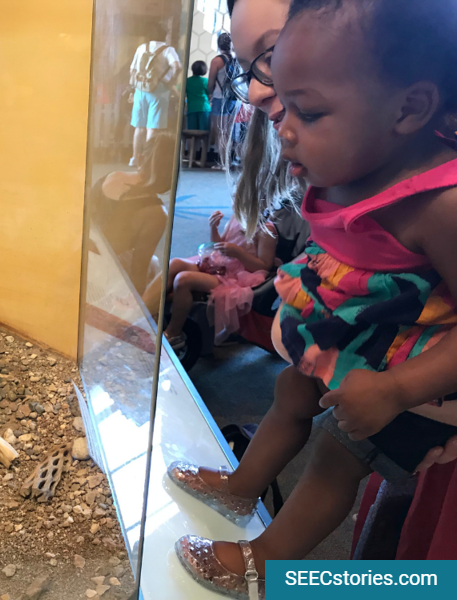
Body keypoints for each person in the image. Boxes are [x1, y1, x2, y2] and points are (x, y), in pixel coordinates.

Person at [168, 1, 457, 597]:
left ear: (409, 108)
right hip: (361, 337)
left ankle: (266, 564)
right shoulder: (357, 161)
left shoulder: (440, 205)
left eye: (311, 111)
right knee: (291, 389)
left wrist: (397, 389)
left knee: (338, 452)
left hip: (417, 374)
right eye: (284, 105)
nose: (284, 127)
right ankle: (242, 485)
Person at [142, 211, 276, 351]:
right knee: (174, 263)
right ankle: (143, 311)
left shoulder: (266, 229)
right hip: (221, 266)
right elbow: (218, 246)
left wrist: (239, 253)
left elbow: (264, 266)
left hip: (237, 278)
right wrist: (214, 229)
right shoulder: (236, 218)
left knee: (183, 280)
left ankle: (174, 333)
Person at [91, 133, 174, 293]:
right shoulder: (156, 214)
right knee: (153, 270)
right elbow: (138, 271)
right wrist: (136, 313)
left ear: (141, 159)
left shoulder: (113, 176)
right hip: (100, 269)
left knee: (153, 263)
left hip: (79, 251)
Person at [129, 22, 182, 167]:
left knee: (139, 127)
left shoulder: (141, 48)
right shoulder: (168, 50)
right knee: (151, 127)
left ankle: (134, 158)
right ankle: (145, 161)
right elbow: (177, 66)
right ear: (164, 35)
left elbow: (132, 70)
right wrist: (168, 80)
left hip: (140, 90)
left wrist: (133, 88)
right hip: (158, 91)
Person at [207, 33, 240, 169]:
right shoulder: (235, 59)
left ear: (218, 45)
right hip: (233, 99)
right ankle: (231, 159)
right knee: (229, 131)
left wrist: (209, 94)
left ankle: (223, 163)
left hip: (220, 98)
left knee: (221, 132)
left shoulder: (216, 61)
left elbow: (210, 83)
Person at [186, 61, 211, 131]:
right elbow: (210, 95)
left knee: (191, 133)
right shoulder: (205, 81)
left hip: (192, 109)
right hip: (204, 108)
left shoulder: (187, 81)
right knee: (204, 132)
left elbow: (177, 90)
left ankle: (193, 142)